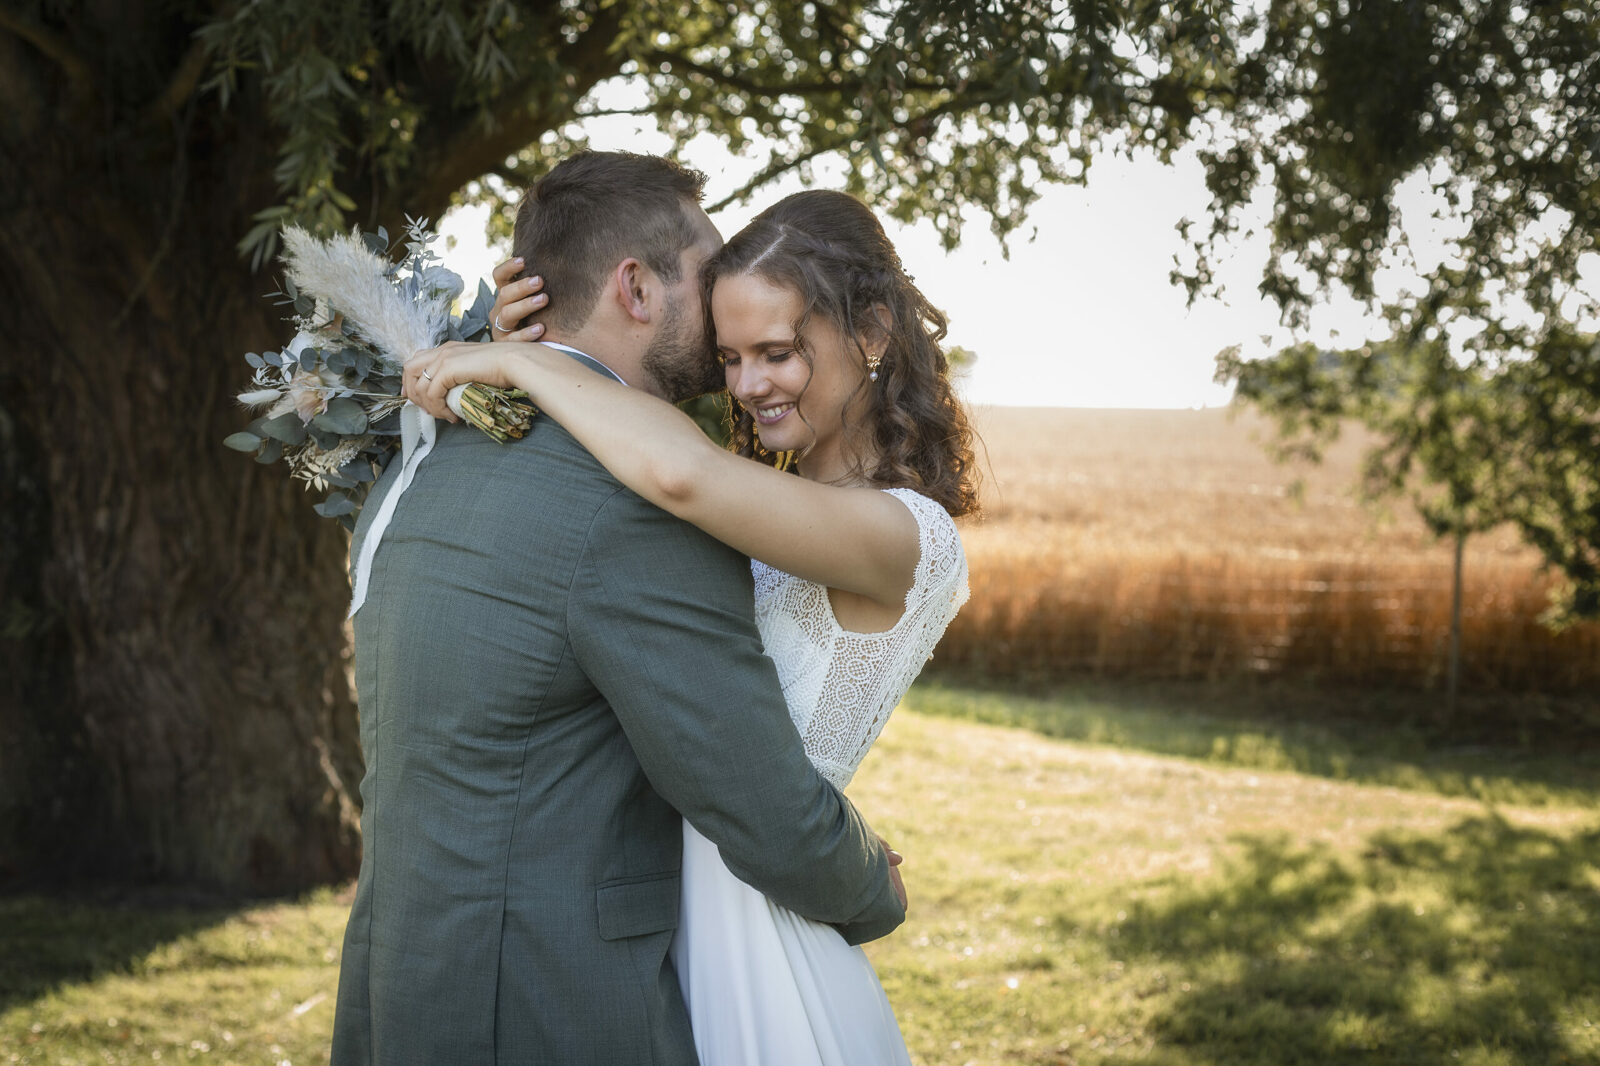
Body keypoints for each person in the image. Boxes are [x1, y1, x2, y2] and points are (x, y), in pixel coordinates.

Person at [330, 153, 908, 1066]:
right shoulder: (633, 508)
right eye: (709, 271)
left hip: (395, 988)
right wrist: (874, 886)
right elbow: (759, 803)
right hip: (549, 1010)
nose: (726, 301)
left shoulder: (424, 458)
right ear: (636, 288)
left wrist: (511, 353)